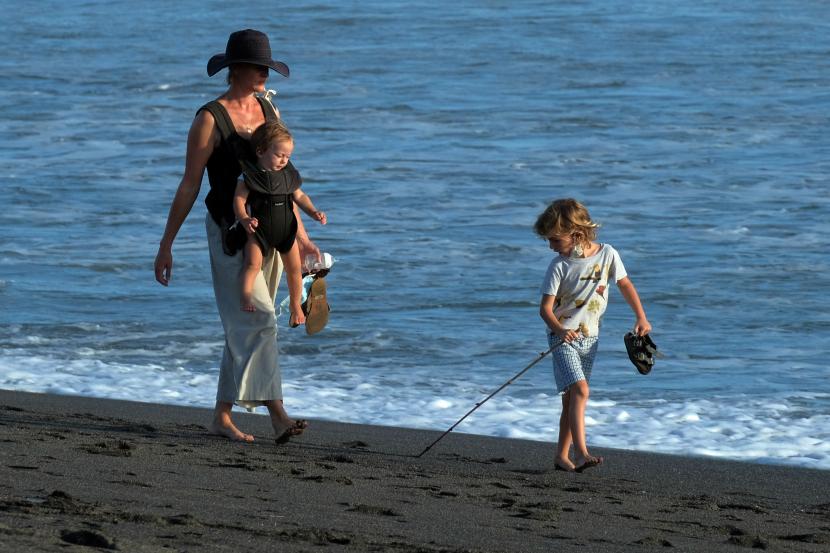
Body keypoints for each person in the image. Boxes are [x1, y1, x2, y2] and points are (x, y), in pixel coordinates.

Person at [153, 29, 316, 444]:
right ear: (235, 69)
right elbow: (190, 184)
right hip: (231, 234)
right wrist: (166, 244)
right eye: (258, 66)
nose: (264, 72)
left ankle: (221, 416)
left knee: (249, 327)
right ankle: (278, 414)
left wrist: (302, 234)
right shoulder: (210, 118)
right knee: (257, 318)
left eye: (267, 66)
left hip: (273, 232)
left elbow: (281, 178)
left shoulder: (268, 108)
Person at [535, 198, 652, 472]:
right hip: (562, 338)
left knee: (571, 398)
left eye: (554, 239)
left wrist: (641, 316)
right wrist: (560, 331)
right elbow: (544, 309)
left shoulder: (608, 254)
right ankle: (582, 452)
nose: (550, 246)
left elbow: (624, 284)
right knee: (581, 390)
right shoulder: (558, 266)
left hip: (590, 339)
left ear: (576, 234)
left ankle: (561, 456)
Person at [234, 119, 326, 318]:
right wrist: (243, 219)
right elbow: (238, 200)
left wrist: (313, 212)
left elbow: (299, 196)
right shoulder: (250, 176)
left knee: (294, 269)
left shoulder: (287, 176)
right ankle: (246, 297)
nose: (284, 160)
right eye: (279, 155)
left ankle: (295, 304)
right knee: (252, 264)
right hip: (258, 232)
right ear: (261, 151)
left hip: (286, 232)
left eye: (288, 156)